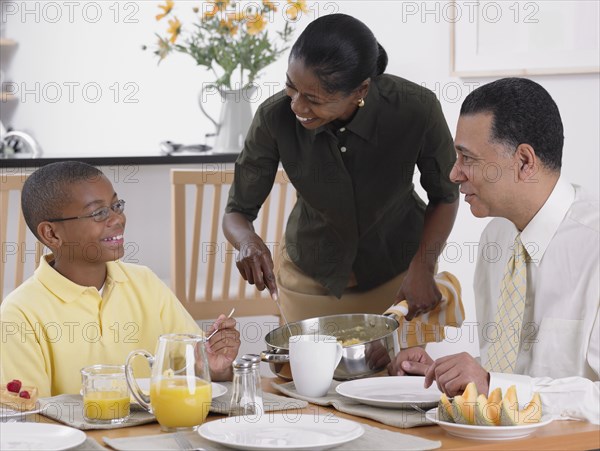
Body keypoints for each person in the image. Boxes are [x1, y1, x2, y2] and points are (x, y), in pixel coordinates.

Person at [222, 13, 459, 324]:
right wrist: (248, 242)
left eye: (314, 99)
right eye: (291, 87)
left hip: (396, 275)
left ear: (360, 91)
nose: (297, 106)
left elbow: (445, 194)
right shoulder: (274, 116)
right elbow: (236, 211)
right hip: (308, 278)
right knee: (299, 373)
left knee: (398, 373)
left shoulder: (416, 109)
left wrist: (424, 267)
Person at [388, 78, 599, 423]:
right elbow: (507, 367)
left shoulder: (594, 248)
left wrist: (491, 384)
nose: (454, 174)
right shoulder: (496, 239)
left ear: (525, 161)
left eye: (467, 159)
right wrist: (451, 376)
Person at [0, 162, 241, 397]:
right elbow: (31, 417)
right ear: (51, 234)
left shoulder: (145, 282)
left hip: (154, 434)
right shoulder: (20, 313)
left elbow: (191, 370)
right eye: (98, 213)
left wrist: (214, 367)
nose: (117, 219)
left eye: (117, 206)